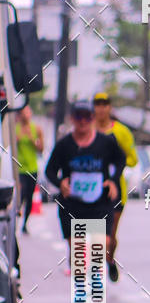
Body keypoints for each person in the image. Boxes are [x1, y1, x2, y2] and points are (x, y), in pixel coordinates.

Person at [45, 99, 125, 272]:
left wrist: (113, 180)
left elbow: (121, 159)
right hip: (72, 204)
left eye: (87, 117)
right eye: (78, 116)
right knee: (79, 254)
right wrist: (61, 183)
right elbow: (49, 171)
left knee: (102, 244)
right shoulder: (64, 145)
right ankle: (84, 291)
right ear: (72, 119)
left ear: (93, 119)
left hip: (99, 203)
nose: (82, 121)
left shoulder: (105, 142)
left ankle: (95, 284)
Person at [93, 91, 138, 281]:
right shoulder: (88, 129)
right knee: (94, 231)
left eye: (105, 104)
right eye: (97, 104)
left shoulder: (121, 131)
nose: (101, 108)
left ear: (110, 107)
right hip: (93, 189)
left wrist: (116, 162)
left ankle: (110, 259)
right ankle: (94, 272)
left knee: (110, 232)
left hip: (115, 189)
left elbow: (133, 159)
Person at [16, 105, 44, 234]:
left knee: (29, 196)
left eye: (27, 112)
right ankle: (16, 219)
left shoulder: (36, 129)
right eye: (23, 112)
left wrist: (32, 140)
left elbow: (41, 149)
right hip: (19, 168)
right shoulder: (15, 128)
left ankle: (25, 224)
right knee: (20, 196)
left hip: (32, 168)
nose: (25, 115)